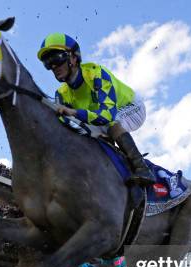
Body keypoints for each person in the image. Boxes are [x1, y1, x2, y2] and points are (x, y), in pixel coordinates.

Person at [37, 33, 156, 187]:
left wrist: (74, 112)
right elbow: (66, 127)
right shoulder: (61, 94)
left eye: (56, 59)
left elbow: (107, 115)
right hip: (98, 117)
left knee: (112, 124)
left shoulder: (96, 74)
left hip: (131, 108)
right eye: (48, 63)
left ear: (73, 57)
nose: (53, 66)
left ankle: (142, 168)